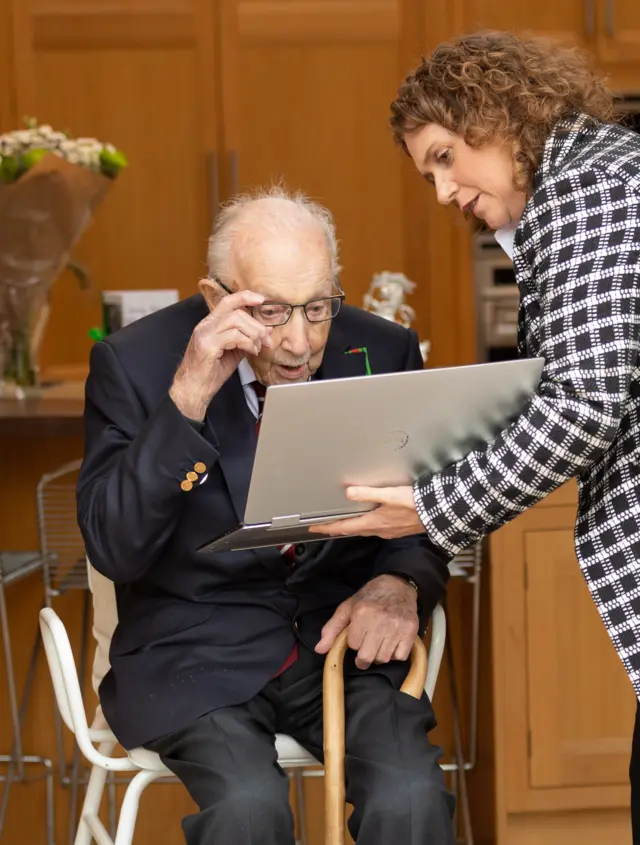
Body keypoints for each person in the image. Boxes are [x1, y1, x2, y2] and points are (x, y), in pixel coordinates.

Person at [309, 28, 640, 840]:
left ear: (494, 116)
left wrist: (429, 505)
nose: (444, 191)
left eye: (446, 157)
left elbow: (585, 400)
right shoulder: (606, 171)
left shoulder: (585, 191)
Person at [77, 186, 455, 845]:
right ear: (215, 296)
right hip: (194, 651)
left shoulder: (382, 349)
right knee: (248, 808)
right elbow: (115, 546)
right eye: (273, 311)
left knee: (411, 793)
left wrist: (400, 583)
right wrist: (188, 396)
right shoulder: (134, 364)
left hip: (339, 639)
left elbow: (422, 514)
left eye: (318, 307)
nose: (300, 341)